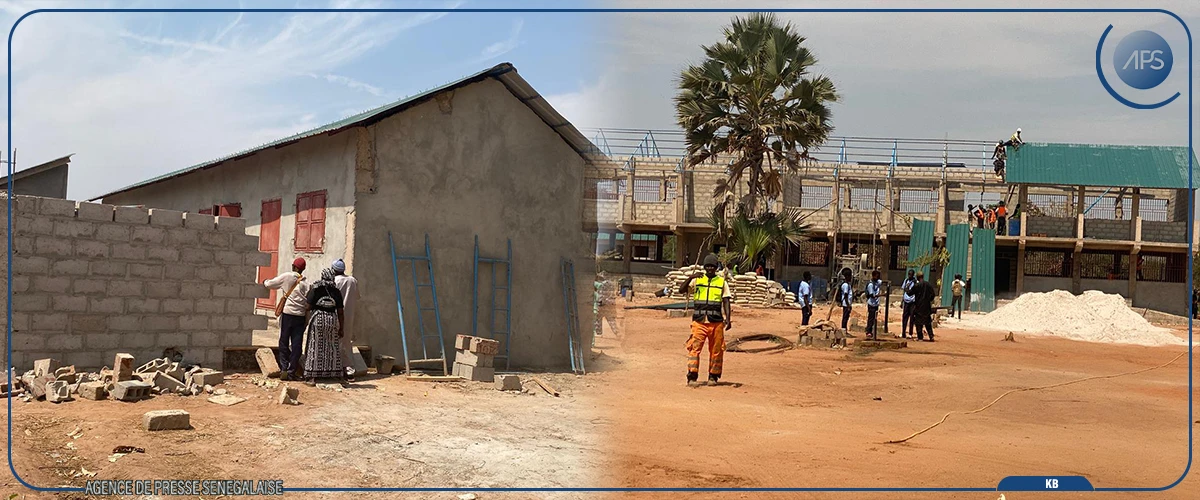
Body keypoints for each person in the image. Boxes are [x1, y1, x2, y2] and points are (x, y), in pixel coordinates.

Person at [678, 254, 733, 385]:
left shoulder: (721, 282)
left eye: (712, 266)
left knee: (717, 350)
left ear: (716, 268)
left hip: (716, 322)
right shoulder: (697, 280)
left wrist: (728, 319)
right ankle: (692, 376)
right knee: (694, 349)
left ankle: (713, 376)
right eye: (707, 266)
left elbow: (726, 301)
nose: (710, 269)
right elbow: (681, 290)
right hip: (699, 321)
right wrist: (690, 277)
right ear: (704, 267)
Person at [264, 258, 310, 380]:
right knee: (296, 345)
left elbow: (270, 284)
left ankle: (284, 368)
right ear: (303, 269)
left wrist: (265, 281)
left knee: (284, 341)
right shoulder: (306, 284)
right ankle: (292, 371)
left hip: (288, 314)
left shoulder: (287, 276)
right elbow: (307, 305)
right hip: (300, 316)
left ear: (293, 266)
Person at [303, 267, 346, 386]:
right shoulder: (336, 292)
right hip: (332, 320)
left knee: (315, 346)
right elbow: (341, 312)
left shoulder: (316, 289)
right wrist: (342, 328)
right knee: (332, 348)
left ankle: (311, 376)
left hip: (318, 320)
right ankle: (336, 374)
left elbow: (307, 307)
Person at [331, 259, 359, 380]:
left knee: (333, 343)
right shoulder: (353, 280)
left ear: (334, 270)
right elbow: (357, 296)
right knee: (346, 343)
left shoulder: (334, 282)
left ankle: (335, 369)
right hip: (349, 317)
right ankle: (349, 371)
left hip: (336, 315)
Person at [912, 271, 937, 342]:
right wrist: (929, 300)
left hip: (919, 306)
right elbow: (933, 295)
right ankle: (931, 336)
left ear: (917, 277)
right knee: (927, 322)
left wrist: (907, 289)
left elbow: (910, 293)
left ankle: (920, 337)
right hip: (927, 306)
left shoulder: (917, 285)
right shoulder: (928, 284)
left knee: (918, 322)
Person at [864, 270, 882, 340]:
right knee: (871, 318)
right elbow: (872, 295)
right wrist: (882, 295)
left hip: (876, 304)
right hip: (871, 303)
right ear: (873, 276)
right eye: (877, 276)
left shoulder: (877, 282)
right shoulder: (871, 285)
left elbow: (882, 281)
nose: (878, 278)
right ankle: (868, 331)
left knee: (874, 318)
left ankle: (871, 331)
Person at [901, 269, 917, 339]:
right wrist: (902, 301)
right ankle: (903, 332)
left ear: (913, 275)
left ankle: (910, 333)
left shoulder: (915, 282)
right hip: (906, 301)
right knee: (904, 317)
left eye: (911, 274)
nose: (909, 275)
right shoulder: (906, 280)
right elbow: (904, 290)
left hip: (912, 302)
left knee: (912, 318)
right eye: (909, 274)